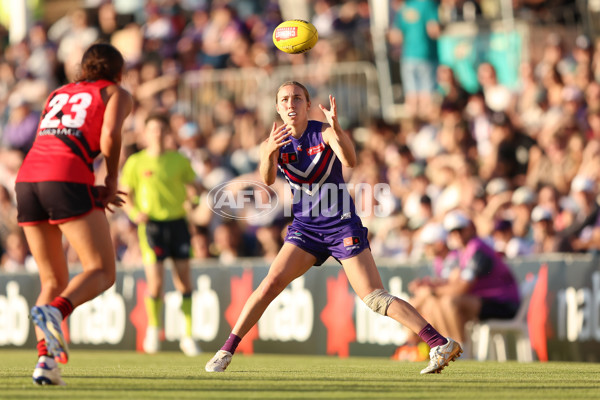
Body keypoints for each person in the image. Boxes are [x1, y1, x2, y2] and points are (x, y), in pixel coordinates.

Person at [205, 81, 462, 374]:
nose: (291, 104)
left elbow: (350, 160)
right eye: (285, 100)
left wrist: (337, 128)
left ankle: (438, 342)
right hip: (305, 228)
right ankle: (226, 351)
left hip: (341, 226)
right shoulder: (273, 141)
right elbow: (266, 180)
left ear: (307, 104)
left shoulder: (323, 131)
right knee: (269, 284)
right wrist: (268, 153)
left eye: (297, 98)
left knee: (374, 298)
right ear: (277, 107)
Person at [15, 43, 133, 386]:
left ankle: (45, 364)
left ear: (83, 68)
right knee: (102, 270)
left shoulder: (58, 93)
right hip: (64, 176)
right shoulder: (115, 92)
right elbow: (109, 135)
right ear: (118, 71)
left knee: (52, 279)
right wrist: (110, 179)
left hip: (27, 179)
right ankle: (57, 311)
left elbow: (53, 138)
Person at [120, 111, 201, 357]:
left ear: (168, 133)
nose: (157, 134)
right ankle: (154, 330)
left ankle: (188, 335)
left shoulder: (179, 160)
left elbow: (193, 188)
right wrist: (134, 213)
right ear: (145, 134)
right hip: (152, 226)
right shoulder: (136, 162)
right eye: (152, 129)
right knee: (155, 284)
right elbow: (126, 194)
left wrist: (193, 201)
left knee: (184, 281)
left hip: (177, 224)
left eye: (161, 130)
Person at [428, 211, 521, 344]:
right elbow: (454, 284)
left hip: (504, 304)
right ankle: (447, 347)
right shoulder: (463, 251)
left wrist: (433, 291)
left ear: (470, 229)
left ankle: (460, 350)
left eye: (460, 230)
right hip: (489, 301)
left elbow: (462, 287)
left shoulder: (478, 249)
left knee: (450, 302)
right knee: (437, 303)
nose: (457, 234)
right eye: (453, 231)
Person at [389, 0, 440, 118]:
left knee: (411, 96)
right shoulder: (428, 4)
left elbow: (396, 36)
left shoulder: (406, 7)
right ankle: (426, 128)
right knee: (427, 97)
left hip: (408, 56)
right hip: (427, 55)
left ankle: (414, 130)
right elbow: (434, 30)